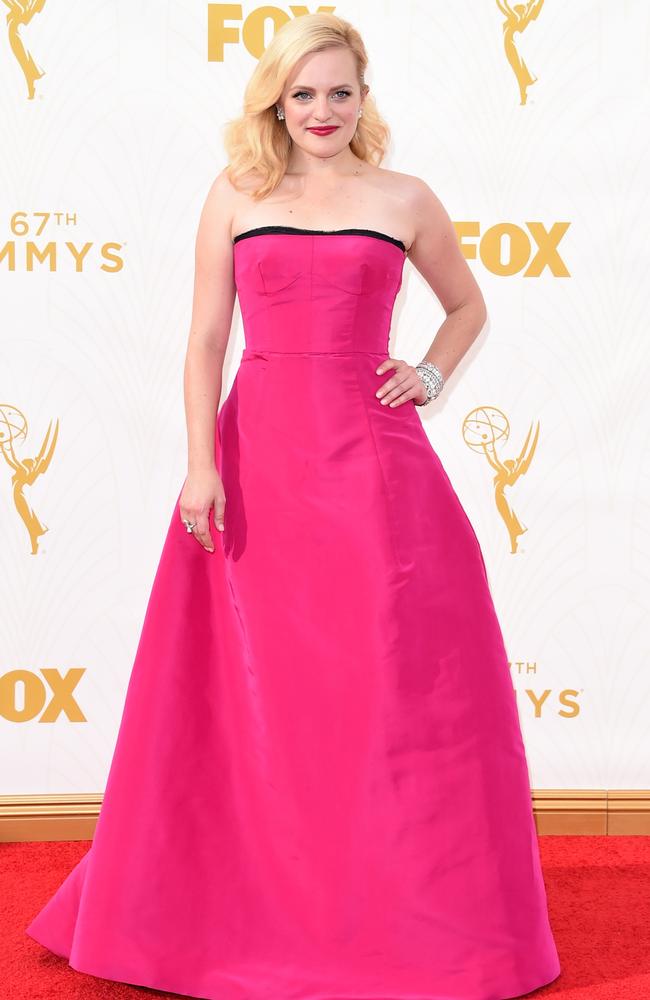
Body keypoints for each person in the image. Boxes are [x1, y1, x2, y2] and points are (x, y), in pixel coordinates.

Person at [26, 12, 561, 1000]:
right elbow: (202, 342)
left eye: (339, 92)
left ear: (364, 99)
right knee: (244, 692)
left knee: (388, 687)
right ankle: (242, 903)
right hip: (255, 460)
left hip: (375, 467)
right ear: (277, 99)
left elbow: (466, 305)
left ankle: (400, 913)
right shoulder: (237, 192)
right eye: (304, 93)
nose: (322, 110)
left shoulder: (403, 197)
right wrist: (200, 464)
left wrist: (430, 376)